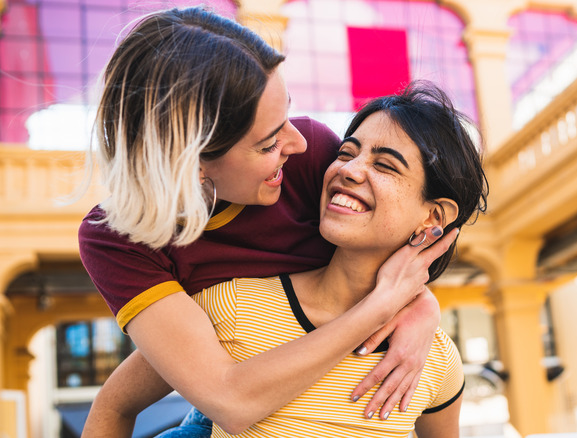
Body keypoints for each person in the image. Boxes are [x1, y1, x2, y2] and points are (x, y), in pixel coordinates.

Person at [78, 7, 456, 436]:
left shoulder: (310, 154)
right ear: (193, 162)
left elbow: (390, 235)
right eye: (268, 142)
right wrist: (381, 307)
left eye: (287, 116)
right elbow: (228, 400)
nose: (295, 142)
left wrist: (421, 302)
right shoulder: (118, 239)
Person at [191, 81, 488, 436]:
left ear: (434, 217)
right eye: (346, 153)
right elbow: (117, 405)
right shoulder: (230, 303)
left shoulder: (436, 361)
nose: (348, 169)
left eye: (386, 166)